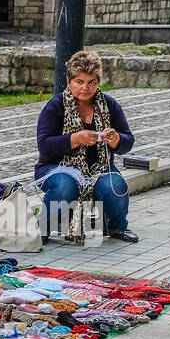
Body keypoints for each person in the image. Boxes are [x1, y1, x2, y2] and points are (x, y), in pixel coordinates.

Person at [34, 49, 138, 243]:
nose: (85, 88)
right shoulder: (55, 106)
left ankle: (117, 227)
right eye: (79, 82)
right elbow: (45, 146)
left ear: (98, 82)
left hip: (99, 168)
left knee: (116, 185)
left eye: (92, 82)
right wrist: (75, 139)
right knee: (65, 185)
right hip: (56, 167)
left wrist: (116, 140)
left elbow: (128, 141)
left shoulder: (109, 105)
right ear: (69, 81)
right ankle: (43, 230)